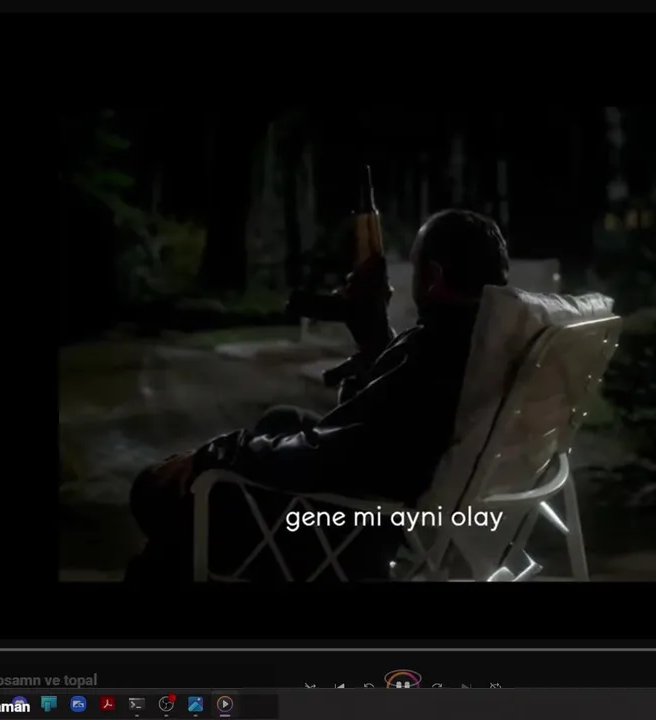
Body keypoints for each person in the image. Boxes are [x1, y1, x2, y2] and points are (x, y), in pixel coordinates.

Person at [125, 209, 512, 584]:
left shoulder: (433, 350)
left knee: (162, 491)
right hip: (410, 508)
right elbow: (398, 419)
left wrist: (218, 452)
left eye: (415, 267)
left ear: (433, 276)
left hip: (357, 526)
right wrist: (375, 338)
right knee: (281, 420)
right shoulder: (487, 344)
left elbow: (337, 452)